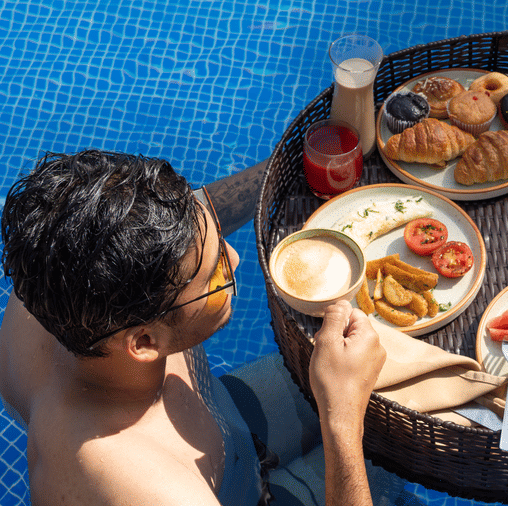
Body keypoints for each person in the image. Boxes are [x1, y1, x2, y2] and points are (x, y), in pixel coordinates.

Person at [0, 150, 400, 506]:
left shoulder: (62, 269)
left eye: (216, 241)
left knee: (389, 382)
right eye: (216, 272)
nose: (236, 257)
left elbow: (199, 219)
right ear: (144, 342)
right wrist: (342, 420)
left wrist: (296, 160)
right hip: (229, 492)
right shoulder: (141, 486)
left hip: (229, 425)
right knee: (391, 463)